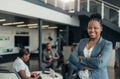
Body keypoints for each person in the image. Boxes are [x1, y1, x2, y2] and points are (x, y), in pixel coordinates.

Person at [69, 13, 113, 79]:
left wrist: (81, 59)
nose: (92, 30)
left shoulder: (107, 44)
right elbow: (72, 58)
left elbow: (99, 63)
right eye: (90, 28)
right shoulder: (82, 41)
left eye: (95, 28)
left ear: (101, 29)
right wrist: (84, 66)